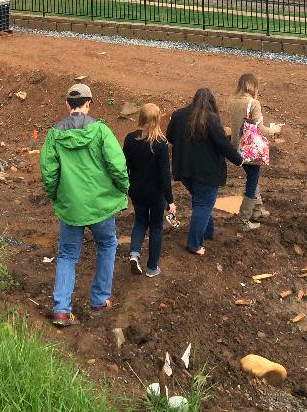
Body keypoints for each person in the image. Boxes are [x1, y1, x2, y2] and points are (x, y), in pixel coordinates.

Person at [39, 83, 129, 327]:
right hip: (100, 205)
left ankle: (60, 310)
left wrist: (56, 196)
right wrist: (123, 188)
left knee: (67, 255)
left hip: (71, 207)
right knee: (107, 245)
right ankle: (99, 300)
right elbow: (117, 165)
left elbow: (48, 173)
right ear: (89, 103)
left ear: (68, 104)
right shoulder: (100, 131)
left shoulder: (54, 135)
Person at [166, 87, 243, 256]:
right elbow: (223, 144)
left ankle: (208, 232)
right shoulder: (211, 119)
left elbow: (169, 136)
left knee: (201, 201)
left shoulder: (179, 115)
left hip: (184, 169)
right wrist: (238, 159)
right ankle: (194, 244)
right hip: (207, 173)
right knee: (203, 204)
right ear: (211, 103)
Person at [123, 103, 176, 278]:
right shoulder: (161, 144)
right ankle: (152, 267)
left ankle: (134, 253)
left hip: (137, 190)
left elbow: (125, 166)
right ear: (158, 120)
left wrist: (126, 187)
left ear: (140, 118)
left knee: (139, 222)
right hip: (156, 194)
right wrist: (170, 200)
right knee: (156, 227)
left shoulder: (130, 139)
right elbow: (165, 175)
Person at [227, 73, 281, 230]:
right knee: (252, 180)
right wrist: (275, 129)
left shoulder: (231, 100)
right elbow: (260, 129)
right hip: (250, 149)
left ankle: (257, 211)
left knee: (253, 176)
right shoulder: (253, 103)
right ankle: (244, 219)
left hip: (236, 147)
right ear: (252, 86)